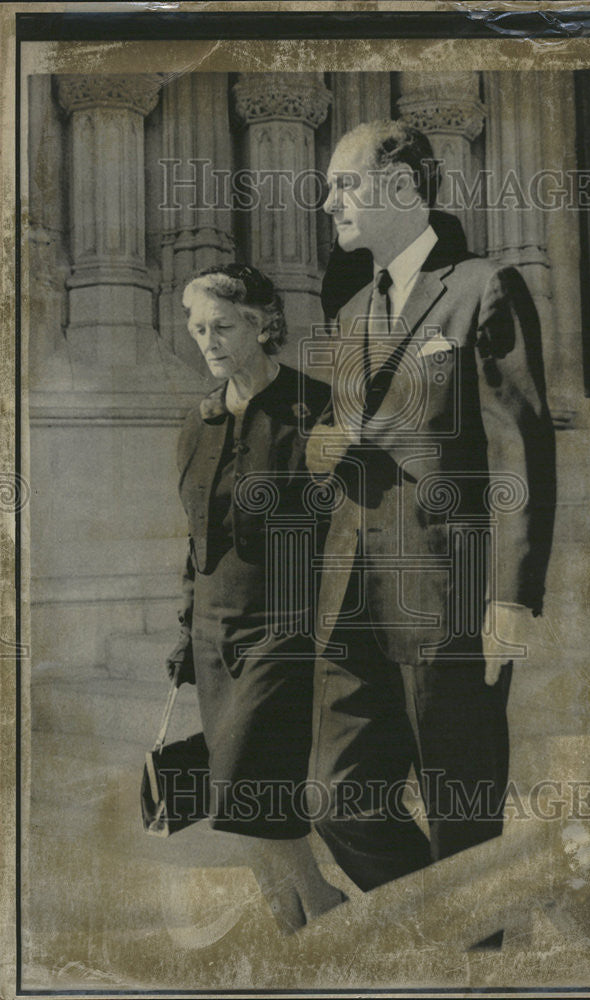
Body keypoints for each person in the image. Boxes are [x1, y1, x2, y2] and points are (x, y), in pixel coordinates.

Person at [306, 120, 556, 895]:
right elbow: (330, 449)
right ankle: (439, 922)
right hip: (356, 598)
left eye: (344, 184)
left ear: (405, 187)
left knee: (459, 809)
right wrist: (325, 445)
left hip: (451, 593)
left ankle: (468, 963)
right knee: (335, 797)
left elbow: (519, 449)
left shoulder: (482, 286)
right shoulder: (350, 315)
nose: (328, 203)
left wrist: (512, 595)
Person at [165, 263, 344, 933]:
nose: (205, 340)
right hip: (214, 633)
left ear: (264, 325)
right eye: (197, 327)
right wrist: (186, 634)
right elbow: (195, 539)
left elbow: (348, 525)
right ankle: (298, 932)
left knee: (246, 784)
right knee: (248, 801)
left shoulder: (315, 408)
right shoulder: (199, 420)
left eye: (222, 326)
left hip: (284, 625)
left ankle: (323, 905)